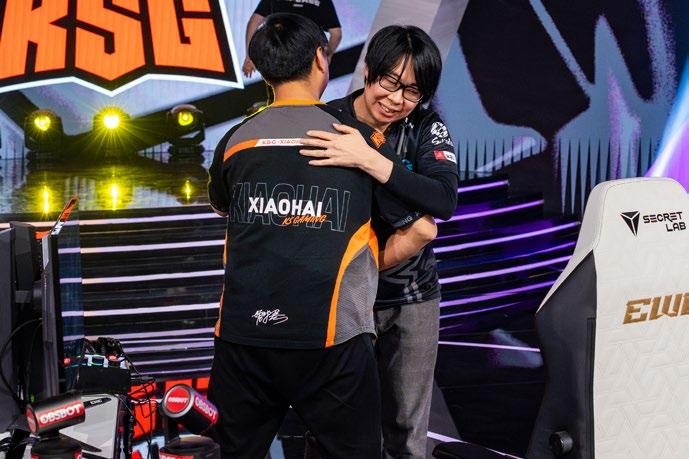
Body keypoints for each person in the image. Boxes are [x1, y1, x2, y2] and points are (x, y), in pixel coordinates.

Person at [207, 14, 437, 458]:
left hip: (243, 338)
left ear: (263, 66)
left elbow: (222, 206)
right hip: (334, 340)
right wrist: (362, 265)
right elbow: (423, 228)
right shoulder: (357, 140)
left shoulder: (235, 139)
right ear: (320, 58)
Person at [299, 25, 459, 458]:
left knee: (406, 431)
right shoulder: (327, 119)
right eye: (389, 81)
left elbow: (444, 199)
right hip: (343, 299)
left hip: (411, 297)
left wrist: (370, 160)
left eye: (412, 91)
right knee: (332, 426)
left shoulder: (426, 125)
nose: (396, 99)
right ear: (368, 70)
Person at [242, 0, 342, 77]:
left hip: (278, 58)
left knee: (279, 93)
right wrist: (327, 55)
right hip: (309, 61)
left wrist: (249, 57)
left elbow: (254, 22)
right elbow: (336, 34)